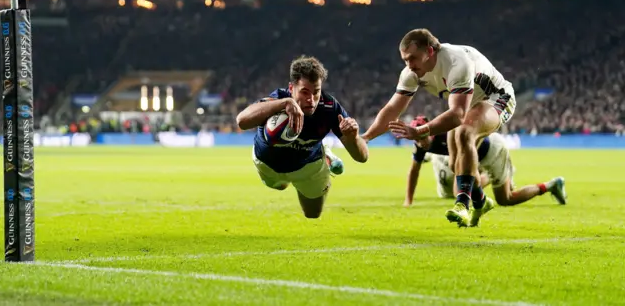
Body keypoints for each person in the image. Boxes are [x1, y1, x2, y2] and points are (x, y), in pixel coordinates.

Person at [363, 28, 518, 227]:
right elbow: (393, 109)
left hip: (497, 98)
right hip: (471, 105)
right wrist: (365, 137)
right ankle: (481, 202)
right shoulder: (411, 72)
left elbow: (457, 115)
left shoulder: (457, 62)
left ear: (429, 51)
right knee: (455, 163)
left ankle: (462, 205)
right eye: (405, 60)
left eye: (412, 58)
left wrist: (419, 131)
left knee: (464, 132)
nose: (409, 65)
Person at [236, 55, 369, 218]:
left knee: (312, 213)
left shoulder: (329, 108)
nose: (311, 100)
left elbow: (362, 157)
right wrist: (284, 103)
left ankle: (324, 155)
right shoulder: (278, 99)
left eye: (316, 92)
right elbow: (242, 121)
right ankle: (323, 153)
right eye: (305, 92)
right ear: (291, 88)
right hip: (267, 164)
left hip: (307, 167)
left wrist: (353, 137)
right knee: (280, 186)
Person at [406, 116, 566, 227]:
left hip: (493, 151)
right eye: (416, 140)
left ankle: (550, 185)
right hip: (472, 155)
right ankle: (486, 195)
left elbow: (468, 153)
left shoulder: (447, 133)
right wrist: (409, 200)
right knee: (464, 187)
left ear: (430, 133)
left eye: (421, 138)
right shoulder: (420, 145)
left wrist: (471, 175)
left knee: (506, 198)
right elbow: (414, 171)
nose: (419, 143)